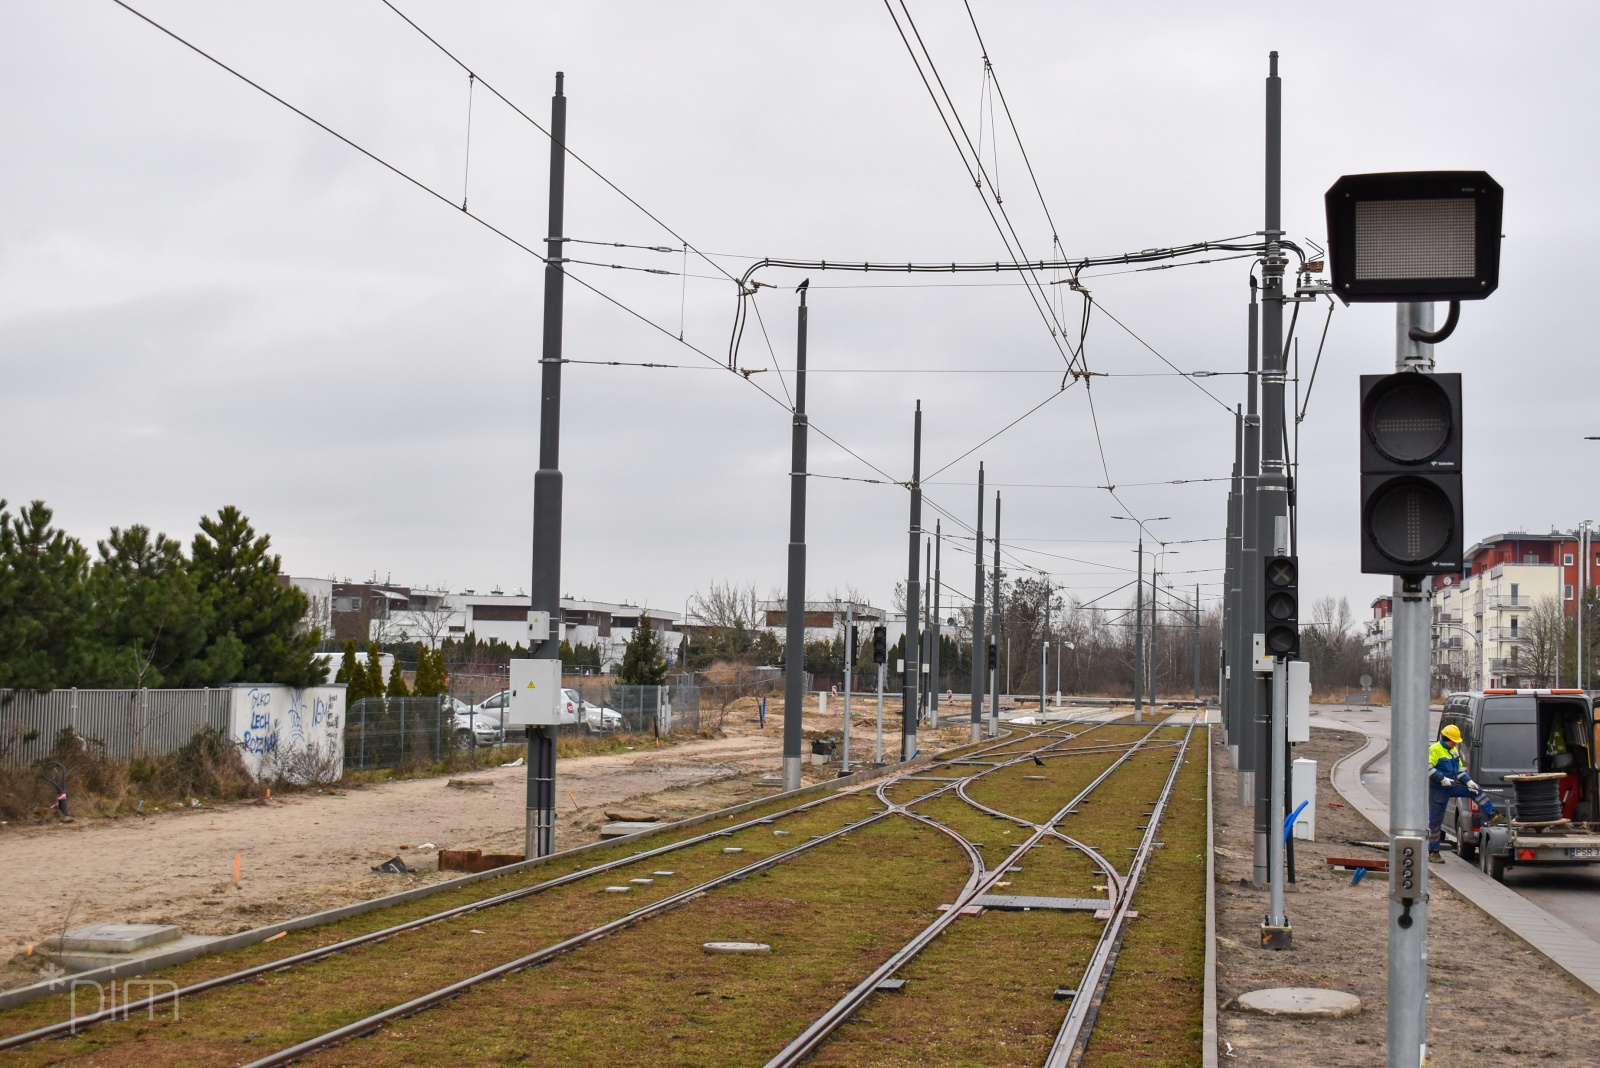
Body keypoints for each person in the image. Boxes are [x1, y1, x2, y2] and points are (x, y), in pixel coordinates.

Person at [1428, 723, 1493, 857]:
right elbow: (1427, 768)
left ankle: (1493, 814)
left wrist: (1468, 781)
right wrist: (1441, 779)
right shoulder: (1434, 749)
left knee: (1475, 790)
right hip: (1438, 790)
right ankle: (1433, 852)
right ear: (1448, 739)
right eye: (1454, 741)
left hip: (1451, 785)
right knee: (1435, 822)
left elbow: (1459, 770)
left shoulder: (1453, 751)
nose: (1456, 744)